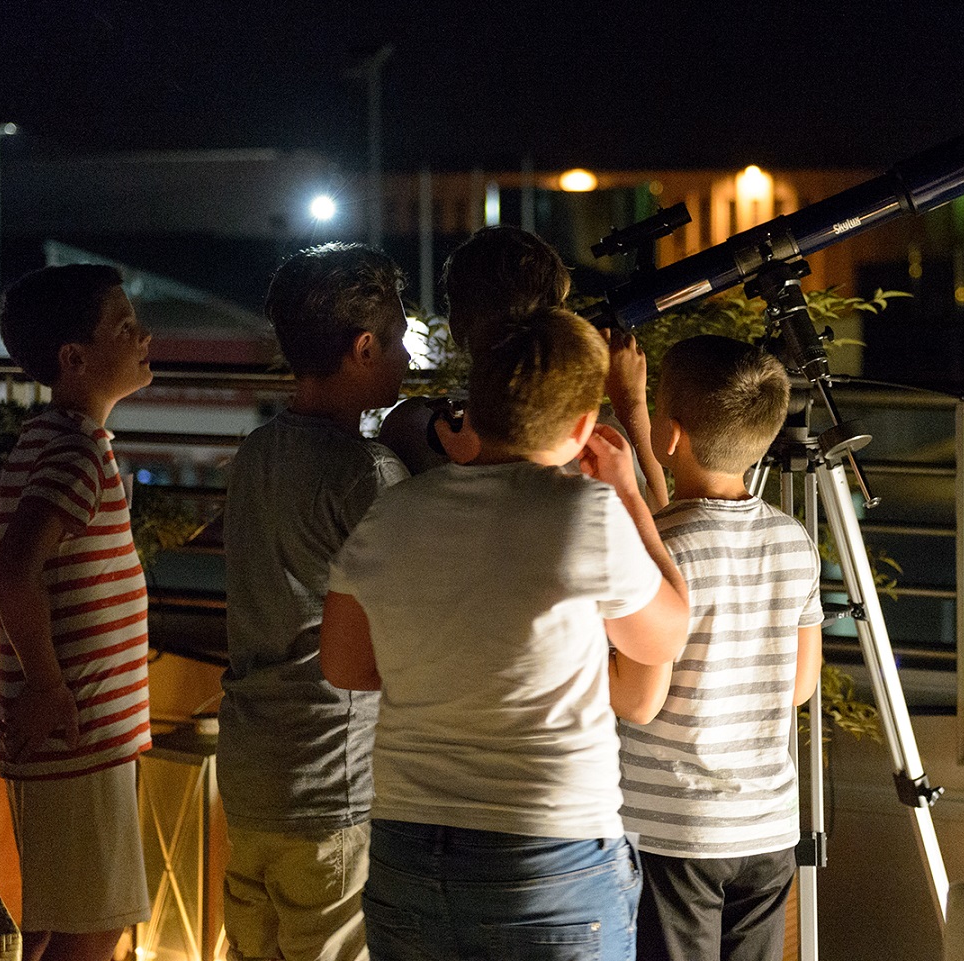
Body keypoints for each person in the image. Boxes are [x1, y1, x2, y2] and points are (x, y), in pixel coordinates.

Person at [319, 307, 690, 961]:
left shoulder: (394, 510)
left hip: (408, 850)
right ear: (582, 426)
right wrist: (629, 495)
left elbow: (345, 665)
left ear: (475, 408)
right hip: (548, 854)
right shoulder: (583, 512)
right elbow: (663, 638)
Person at [218, 243, 412, 961]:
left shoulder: (255, 453)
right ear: (363, 348)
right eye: (398, 340)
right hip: (333, 779)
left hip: (252, 771)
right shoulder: (369, 473)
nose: (407, 358)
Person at [613, 334, 825, 961]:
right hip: (766, 830)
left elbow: (668, 546)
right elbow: (800, 687)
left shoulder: (654, 548)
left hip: (675, 832)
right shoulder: (794, 541)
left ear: (670, 434)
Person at [0, 263, 155, 961]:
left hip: (70, 734)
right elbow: (12, 567)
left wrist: (15, 655)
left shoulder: (45, 438)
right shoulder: (77, 452)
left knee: (55, 921)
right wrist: (47, 683)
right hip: (77, 732)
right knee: (92, 928)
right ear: (74, 358)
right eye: (124, 327)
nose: (144, 337)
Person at [379, 225, 668, 509]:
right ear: (560, 320)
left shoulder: (411, 427)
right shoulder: (596, 440)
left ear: (456, 323)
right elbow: (656, 518)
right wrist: (631, 402)